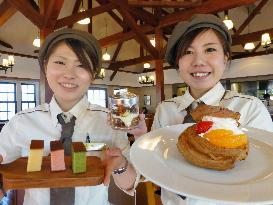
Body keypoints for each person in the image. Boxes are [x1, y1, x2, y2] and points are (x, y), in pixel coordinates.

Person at [0, 28, 138, 205]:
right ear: (45, 66)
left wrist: (120, 165)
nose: (69, 74)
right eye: (59, 62)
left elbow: (131, 185)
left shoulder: (109, 122)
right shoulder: (21, 122)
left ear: (93, 73)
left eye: (81, 65)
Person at [152, 14, 273, 205]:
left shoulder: (249, 109)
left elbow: (265, 180)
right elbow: (157, 167)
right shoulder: (165, 110)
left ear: (225, 58)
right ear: (178, 63)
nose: (198, 61)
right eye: (188, 52)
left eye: (210, 49)